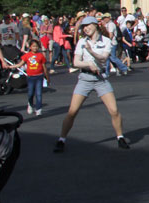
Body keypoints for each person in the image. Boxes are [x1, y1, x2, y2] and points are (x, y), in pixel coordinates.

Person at [53, 16, 130, 152]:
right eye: (83, 26)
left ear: (95, 25)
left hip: (101, 79)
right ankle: (61, 139)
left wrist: (91, 52)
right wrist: (88, 64)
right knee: (72, 112)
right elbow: (76, 62)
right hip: (85, 79)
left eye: (88, 25)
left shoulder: (106, 41)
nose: (85, 28)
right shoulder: (82, 41)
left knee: (114, 111)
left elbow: (103, 58)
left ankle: (120, 137)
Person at [20, 41, 49, 116]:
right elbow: (20, 64)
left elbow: (44, 67)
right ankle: (30, 104)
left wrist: (47, 77)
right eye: (33, 46)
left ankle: (38, 109)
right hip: (30, 77)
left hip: (39, 76)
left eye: (36, 46)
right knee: (30, 93)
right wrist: (11, 66)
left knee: (39, 93)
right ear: (30, 47)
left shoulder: (41, 55)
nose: (35, 48)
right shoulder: (27, 55)